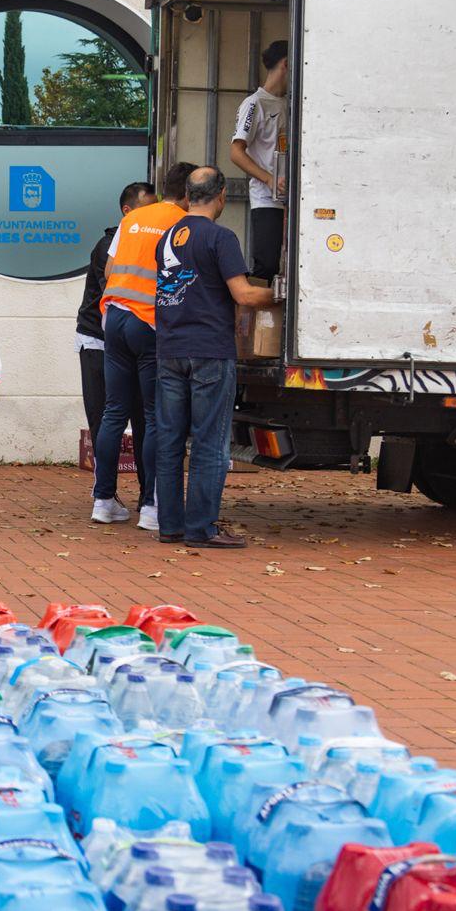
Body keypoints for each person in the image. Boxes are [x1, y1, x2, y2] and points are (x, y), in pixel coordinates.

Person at [154, 166, 275, 549]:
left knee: (170, 441)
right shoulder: (221, 237)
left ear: (188, 196)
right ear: (221, 195)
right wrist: (283, 295)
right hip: (208, 350)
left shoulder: (167, 238)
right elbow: (243, 295)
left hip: (170, 349)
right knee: (209, 442)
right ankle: (202, 528)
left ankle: (170, 526)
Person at [91, 162, 196, 532]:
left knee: (114, 412)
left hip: (114, 317)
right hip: (149, 323)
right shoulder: (181, 223)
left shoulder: (132, 219)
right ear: (187, 194)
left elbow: (109, 271)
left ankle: (103, 501)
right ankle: (151, 506)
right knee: (153, 416)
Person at [76, 182, 154, 436]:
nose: (151, 216)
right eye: (145, 209)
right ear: (127, 211)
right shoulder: (107, 247)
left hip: (132, 338)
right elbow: (115, 292)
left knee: (143, 416)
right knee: (105, 416)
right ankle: (104, 476)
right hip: (98, 340)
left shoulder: (151, 244)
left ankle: (147, 477)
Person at [230, 39, 289, 281]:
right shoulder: (255, 103)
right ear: (286, 64)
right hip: (267, 199)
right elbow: (236, 152)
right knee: (267, 265)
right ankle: (259, 318)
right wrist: (268, 179)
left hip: (292, 198)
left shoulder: (292, 103)